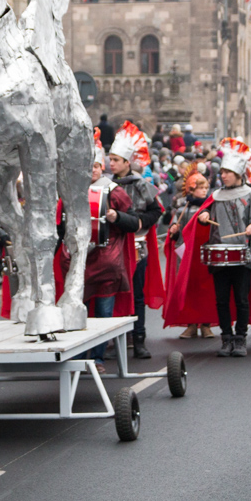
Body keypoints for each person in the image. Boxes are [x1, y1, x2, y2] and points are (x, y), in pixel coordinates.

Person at [56, 145, 136, 372]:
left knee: (102, 315)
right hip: (76, 262)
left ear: (102, 168)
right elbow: (61, 226)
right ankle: (77, 356)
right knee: (75, 310)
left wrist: (116, 216)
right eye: (87, 166)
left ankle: (98, 358)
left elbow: (133, 223)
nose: (91, 170)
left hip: (106, 262)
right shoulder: (70, 190)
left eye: (96, 165)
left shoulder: (114, 191)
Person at [195, 139, 251, 357]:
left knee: (241, 298)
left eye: (228, 172)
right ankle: (226, 338)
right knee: (221, 299)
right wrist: (203, 217)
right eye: (222, 172)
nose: (223, 176)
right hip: (219, 256)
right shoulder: (215, 197)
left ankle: (240, 339)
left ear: (238, 174)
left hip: (244, 254)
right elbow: (203, 217)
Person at [107, 121, 165, 360]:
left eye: (115, 160)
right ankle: (111, 339)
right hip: (112, 247)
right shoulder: (106, 185)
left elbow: (156, 210)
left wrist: (141, 223)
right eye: (110, 160)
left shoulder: (141, 184)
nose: (111, 164)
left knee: (137, 293)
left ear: (126, 163)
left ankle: (139, 339)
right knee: (113, 292)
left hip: (137, 245)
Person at [164, 167, 214, 339]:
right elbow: (177, 235)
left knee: (207, 289)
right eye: (201, 188)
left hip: (205, 254)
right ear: (192, 189)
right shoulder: (182, 209)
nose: (204, 191)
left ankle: (206, 324)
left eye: (206, 188)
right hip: (187, 254)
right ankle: (192, 324)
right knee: (190, 288)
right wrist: (174, 231)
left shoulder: (211, 208)